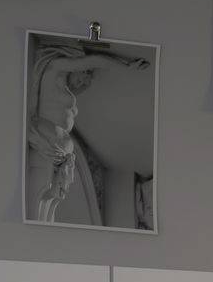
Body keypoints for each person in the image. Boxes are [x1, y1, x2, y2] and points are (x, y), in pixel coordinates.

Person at [25, 39, 149, 223]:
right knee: (40, 204)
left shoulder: (61, 84)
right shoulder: (54, 67)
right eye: (85, 74)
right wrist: (127, 66)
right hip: (48, 146)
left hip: (55, 150)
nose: (84, 81)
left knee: (47, 207)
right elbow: (96, 60)